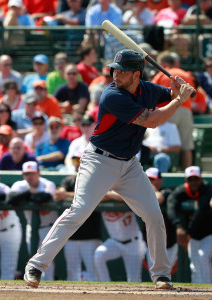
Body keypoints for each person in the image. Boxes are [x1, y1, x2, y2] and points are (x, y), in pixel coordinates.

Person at [23, 48, 195, 289]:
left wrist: (178, 89)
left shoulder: (148, 89)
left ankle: (162, 274)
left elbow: (169, 95)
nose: (116, 75)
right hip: (99, 161)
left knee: (154, 216)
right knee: (79, 211)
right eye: (115, 70)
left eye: (122, 72)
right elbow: (152, 121)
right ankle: (36, 265)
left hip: (130, 165)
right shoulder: (112, 95)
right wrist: (179, 99)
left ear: (137, 74)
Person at [8, 161, 57, 280]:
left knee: (47, 261)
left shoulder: (47, 184)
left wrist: (26, 196)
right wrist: (30, 192)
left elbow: (43, 198)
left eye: (32, 173)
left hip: (49, 228)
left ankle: (49, 288)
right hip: (31, 227)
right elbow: (11, 199)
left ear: (38, 174)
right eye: (26, 174)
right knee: (34, 259)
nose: (29, 177)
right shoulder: (20, 185)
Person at [166, 166, 212, 283]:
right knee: (195, 264)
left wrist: (188, 232)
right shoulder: (181, 191)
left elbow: (201, 210)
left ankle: (208, 288)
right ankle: (198, 290)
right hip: (192, 235)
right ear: (186, 181)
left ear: (201, 179)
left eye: (196, 179)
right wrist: (178, 226)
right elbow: (171, 205)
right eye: (190, 179)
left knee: (203, 257)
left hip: (208, 232)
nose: (194, 182)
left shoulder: (207, 188)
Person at [151, 51, 195, 170]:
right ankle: (188, 173)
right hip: (186, 110)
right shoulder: (184, 74)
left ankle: (165, 173)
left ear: (164, 63)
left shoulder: (162, 73)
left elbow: (150, 93)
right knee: (186, 146)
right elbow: (193, 94)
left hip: (171, 109)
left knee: (165, 143)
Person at [54, 174, 101, 281]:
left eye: (79, 160)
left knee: (94, 272)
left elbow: (92, 196)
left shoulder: (95, 179)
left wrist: (66, 195)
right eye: (75, 160)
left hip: (90, 236)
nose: (77, 163)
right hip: (71, 236)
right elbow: (58, 195)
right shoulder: (68, 180)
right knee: (72, 273)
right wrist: (64, 193)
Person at [94, 190, 147, 282]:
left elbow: (125, 196)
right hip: (115, 242)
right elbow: (94, 197)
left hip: (133, 243)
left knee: (134, 280)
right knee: (99, 255)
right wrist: (108, 195)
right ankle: (105, 284)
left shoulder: (124, 191)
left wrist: (108, 194)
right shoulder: (101, 195)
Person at [144, 168, 178, 273]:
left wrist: (151, 188)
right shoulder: (141, 195)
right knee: (154, 275)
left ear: (160, 180)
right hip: (150, 243)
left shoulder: (167, 191)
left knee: (165, 272)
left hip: (169, 243)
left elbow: (159, 198)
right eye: (147, 179)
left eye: (152, 179)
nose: (149, 182)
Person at [0, 179, 22, 280]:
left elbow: (13, 197)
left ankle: (6, 293)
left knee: (8, 267)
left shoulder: (3, 188)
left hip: (10, 230)